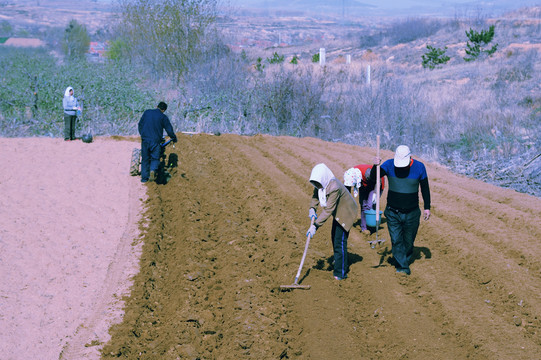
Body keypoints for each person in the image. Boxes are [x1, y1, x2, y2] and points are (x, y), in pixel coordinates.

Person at [369, 145, 431, 275]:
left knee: (408, 241)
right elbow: (373, 178)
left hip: (412, 212)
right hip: (392, 212)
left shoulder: (419, 167)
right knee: (396, 240)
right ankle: (402, 267)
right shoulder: (388, 164)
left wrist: (427, 207)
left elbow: (425, 188)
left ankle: (404, 259)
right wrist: (375, 166)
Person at [307, 163, 358, 280]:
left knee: (339, 241)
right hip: (338, 212)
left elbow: (329, 209)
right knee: (334, 237)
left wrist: (315, 226)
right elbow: (316, 195)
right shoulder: (322, 182)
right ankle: (338, 260)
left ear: (323, 178)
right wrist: (312, 208)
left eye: (318, 183)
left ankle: (341, 273)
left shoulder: (334, 187)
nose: (317, 185)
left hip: (346, 213)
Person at [138, 102, 178, 183]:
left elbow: (140, 124)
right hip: (155, 141)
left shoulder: (147, 112)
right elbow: (169, 129)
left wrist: (142, 134)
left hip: (145, 139)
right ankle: (152, 170)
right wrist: (173, 137)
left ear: (156, 106)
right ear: (164, 110)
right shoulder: (163, 117)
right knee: (155, 158)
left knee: (145, 158)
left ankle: (144, 179)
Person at [344, 164, 385, 234]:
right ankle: (364, 227)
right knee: (363, 205)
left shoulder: (368, 173)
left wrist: (375, 193)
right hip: (364, 183)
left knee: (370, 204)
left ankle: (372, 227)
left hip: (376, 183)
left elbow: (378, 181)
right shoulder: (350, 174)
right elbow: (348, 191)